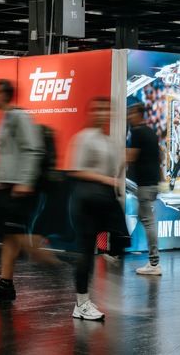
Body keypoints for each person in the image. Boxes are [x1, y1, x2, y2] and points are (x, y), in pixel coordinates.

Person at [0, 79, 52, 302]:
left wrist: (24, 181)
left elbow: (33, 149)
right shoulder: (5, 119)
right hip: (5, 186)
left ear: (4, 95)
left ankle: (50, 260)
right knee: (9, 236)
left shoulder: (19, 117)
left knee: (15, 235)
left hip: (16, 187)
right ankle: (6, 285)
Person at [70, 97, 128, 321]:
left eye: (106, 110)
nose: (103, 113)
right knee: (86, 251)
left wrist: (119, 171)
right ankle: (81, 303)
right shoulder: (84, 138)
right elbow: (77, 171)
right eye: (98, 109)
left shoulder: (109, 142)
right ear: (91, 112)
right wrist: (106, 180)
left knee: (116, 241)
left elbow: (113, 173)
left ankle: (86, 299)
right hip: (85, 201)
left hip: (103, 200)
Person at [127, 102, 162, 275]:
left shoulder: (138, 132)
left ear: (139, 114)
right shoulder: (150, 132)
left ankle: (154, 263)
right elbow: (159, 158)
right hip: (151, 184)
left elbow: (131, 157)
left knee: (148, 222)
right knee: (143, 216)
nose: (129, 116)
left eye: (131, 113)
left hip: (146, 185)